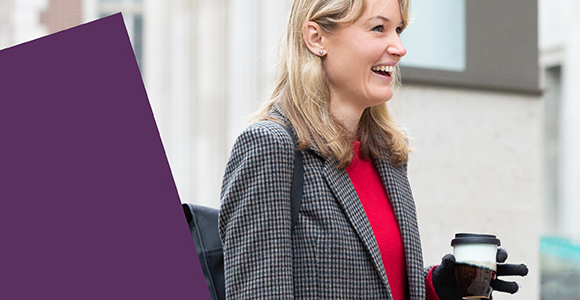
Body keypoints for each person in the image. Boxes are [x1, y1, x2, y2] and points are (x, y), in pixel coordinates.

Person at [217, 0, 526, 299]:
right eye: (379, 28)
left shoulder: (386, 156)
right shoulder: (271, 147)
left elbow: (368, 280)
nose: (399, 48)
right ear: (316, 38)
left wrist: (437, 287)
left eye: (399, 30)